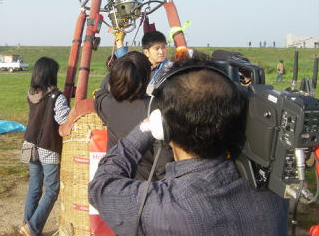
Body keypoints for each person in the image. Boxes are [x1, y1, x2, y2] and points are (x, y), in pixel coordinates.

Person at [89, 58, 288, 236]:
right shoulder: (274, 193)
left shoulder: (162, 208)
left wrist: (143, 129)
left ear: (163, 127)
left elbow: (101, 186)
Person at [94, 51, 172, 180]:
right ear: (146, 78)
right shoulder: (156, 108)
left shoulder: (108, 105)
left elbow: (100, 94)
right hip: (145, 186)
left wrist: (116, 72)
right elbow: (163, 163)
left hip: (115, 181)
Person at [20, 57, 70, 236]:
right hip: (47, 146)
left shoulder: (31, 92)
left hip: (29, 143)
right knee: (52, 190)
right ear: (51, 74)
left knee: (34, 186)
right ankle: (32, 228)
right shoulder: (56, 96)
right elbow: (63, 120)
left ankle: (27, 222)